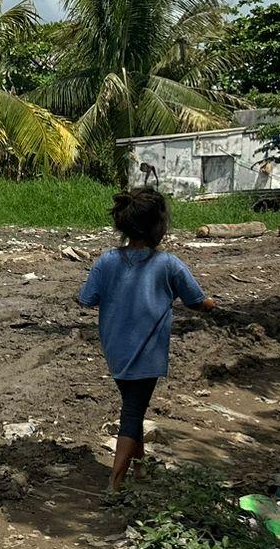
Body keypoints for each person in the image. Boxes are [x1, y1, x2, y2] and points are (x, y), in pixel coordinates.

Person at [76, 188, 217, 492]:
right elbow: (196, 301)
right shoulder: (168, 264)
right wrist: (210, 304)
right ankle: (115, 482)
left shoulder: (106, 261)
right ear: (158, 226)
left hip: (115, 352)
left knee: (134, 407)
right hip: (147, 354)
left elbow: (86, 299)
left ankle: (139, 469)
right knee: (132, 412)